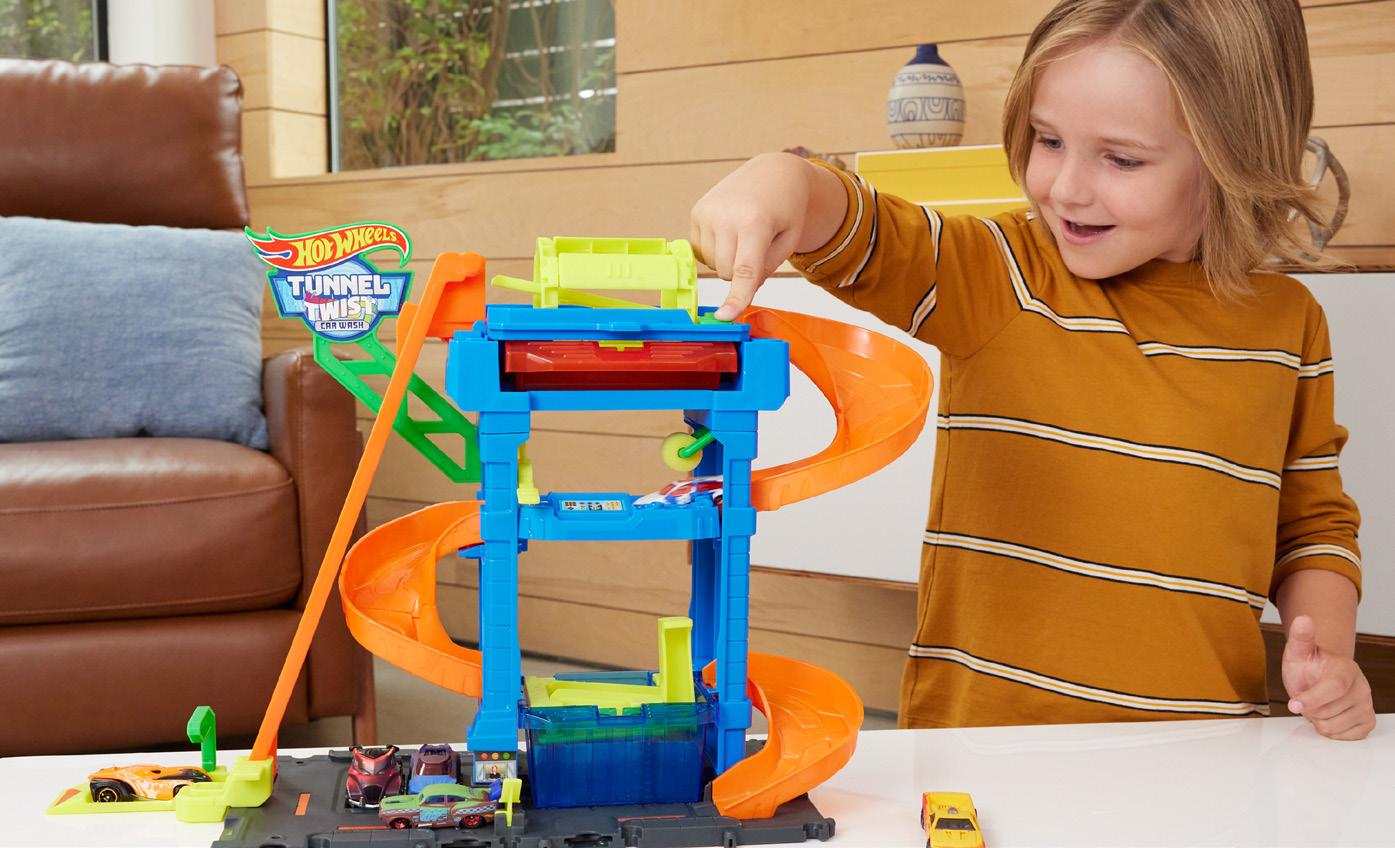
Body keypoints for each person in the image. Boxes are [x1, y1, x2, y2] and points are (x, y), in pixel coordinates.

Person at [690, 0, 1373, 739]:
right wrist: (780, 179)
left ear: (1236, 154)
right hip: (983, 754)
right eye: (1049, 140)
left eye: (1121, 159)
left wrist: (1326, 658)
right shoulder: (999, 274)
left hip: (1204, 750)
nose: (1066, 188)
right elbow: (865, 231)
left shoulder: (1287, 323)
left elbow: (1312, 527)